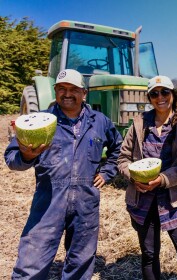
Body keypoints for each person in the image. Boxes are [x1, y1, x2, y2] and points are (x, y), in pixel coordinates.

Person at [4, 69, 122, 279]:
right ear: (55, 91)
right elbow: (12, 159)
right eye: (61, 89)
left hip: (86, 203)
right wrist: (26, 154)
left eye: (73, 89)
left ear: (84, 93)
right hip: (49, 200)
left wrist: (106, 172)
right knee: (32, 261)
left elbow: (118, 149)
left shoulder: (100, 121)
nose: (67, 94)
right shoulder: (40, 121)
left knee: (81, 262)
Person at [117, 75, 177, 280]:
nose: (160, 97)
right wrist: (134, 177)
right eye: (154, 94)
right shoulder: (139, 123)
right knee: (148, 255)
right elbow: (122, 159)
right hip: (143, 199)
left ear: (173, 94)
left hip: (176, 199)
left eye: (164, 92)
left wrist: (163, 179)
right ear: (149, 98)